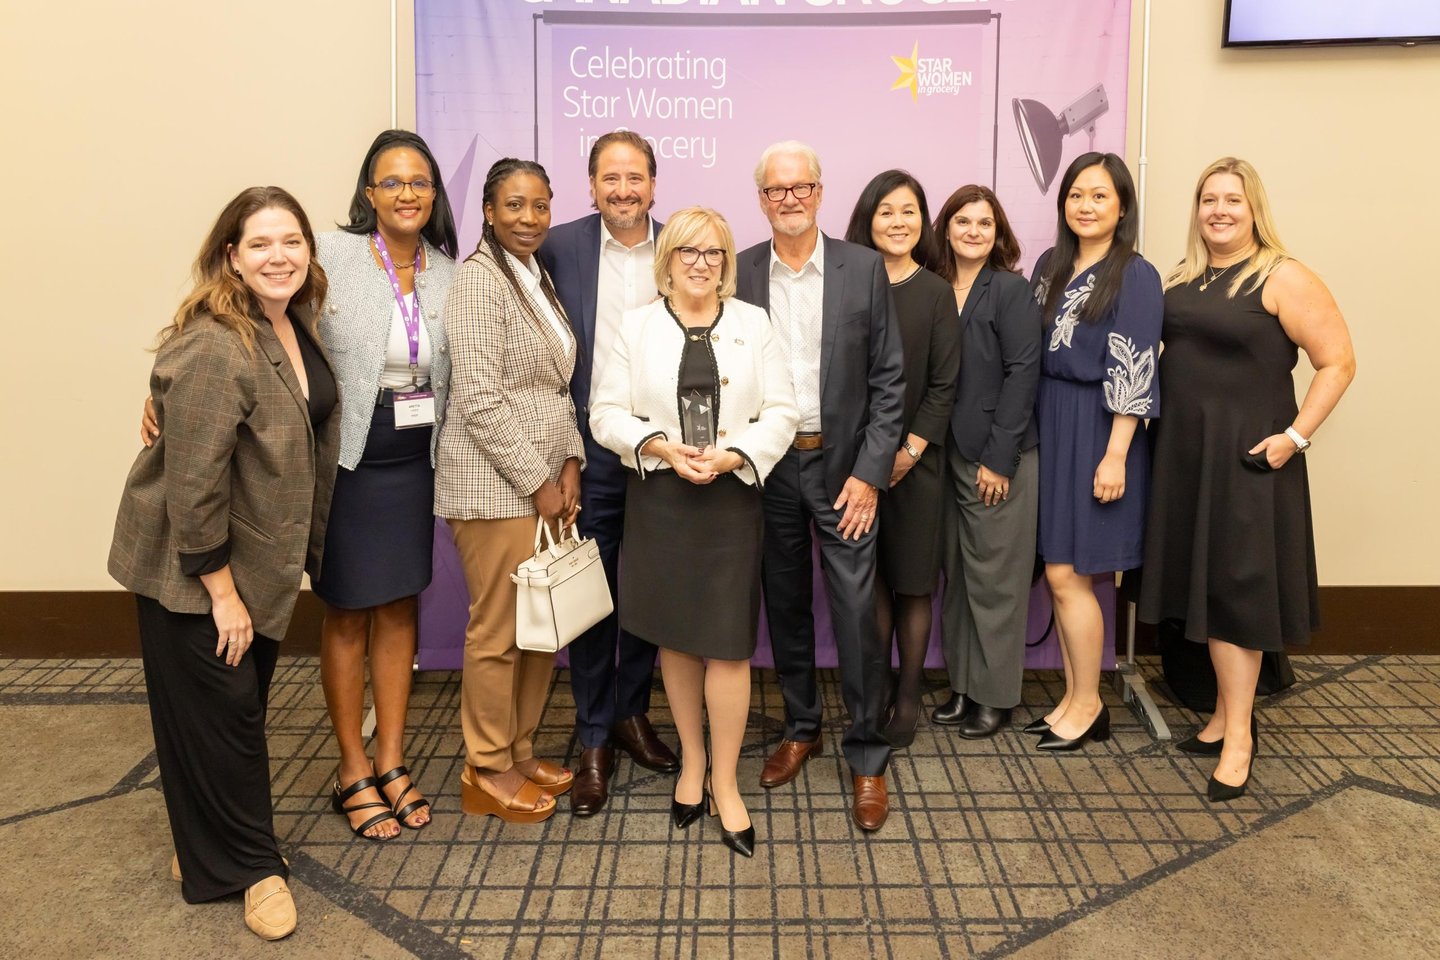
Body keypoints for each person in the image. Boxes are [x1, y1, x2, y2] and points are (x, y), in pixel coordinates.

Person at [141, 130, 459, 839]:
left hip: (415, 465)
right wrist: (163, 392)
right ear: (369, 192)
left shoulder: (448, 272)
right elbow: (237, 318)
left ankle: (391, 757)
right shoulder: (327, 255)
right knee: (347, 613)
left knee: (400, 608)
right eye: (392, 181)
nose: (407, 193)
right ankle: (351, 766)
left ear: (434, 194)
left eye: (420, 182)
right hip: (342, 466)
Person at [109, 186, 338, 940]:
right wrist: (222, 593)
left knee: (215, 717)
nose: (279, 256)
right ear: (231, 257)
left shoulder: (293, 321)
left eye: (292, 241)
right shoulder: (216, 341)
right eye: (261, 244)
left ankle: (203, 849)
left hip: (253, 562)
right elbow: (193, 483)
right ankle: (255, 869)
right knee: (229, 721)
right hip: (195, 571)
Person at [1139, 157, 1355, 801]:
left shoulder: (1282, 275)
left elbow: (1339, 362)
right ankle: (1220, 718)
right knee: (1203, 590)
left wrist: (1295, 438)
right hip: (1185, 459)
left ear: (1254, 207)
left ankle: (1239, 738)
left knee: (1235, 595)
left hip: (1248, 461)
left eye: (1232, 199)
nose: (1219, 211)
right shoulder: (1183, 278)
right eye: (1209, 199)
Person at [590, 206, 798, 856]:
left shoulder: (754, 323)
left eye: (713, 253)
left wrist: (736, 455)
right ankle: (692, 765)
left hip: (731, 502)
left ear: (727, 262)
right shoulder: (636, 325)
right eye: (688, 251)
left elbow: (784, 410)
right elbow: (604, 412)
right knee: (676, 640)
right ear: (668, 260)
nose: (701, 263)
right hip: (661, 499)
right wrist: (657, 445)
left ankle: (726, 784)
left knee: (729, 647)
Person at [735, 141, 906, 831]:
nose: (790, 199)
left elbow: (890, 380)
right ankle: (801, 726)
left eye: (801, 186)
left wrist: (870, 474)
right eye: (776, 190)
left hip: (845, 471)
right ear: (761, 199)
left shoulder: (862, 268)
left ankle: (867, 754)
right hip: (769, 466)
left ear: (820, 191)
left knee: (857, 612)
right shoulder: (740, 270)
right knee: (784, 604)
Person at [434, 158, 583, 823]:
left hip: (546, 481)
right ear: (489, 212)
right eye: (515, 205)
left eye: (540, 205)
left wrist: (571, 461)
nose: (529, 217)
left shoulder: (534, 275)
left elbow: (554, 388)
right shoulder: (478, 280)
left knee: (539, 630)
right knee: (498, 631)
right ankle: (487, 767)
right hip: (494, 484)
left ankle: (519, 750)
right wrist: (538, 483)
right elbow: (479, 399)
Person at [537, 130, 678, 816]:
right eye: (610, 178)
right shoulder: (558, 248)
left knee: (648, 592)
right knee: (592, 598)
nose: (623, 190)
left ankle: (632, 712)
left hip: (662, 456)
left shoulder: (682, 247)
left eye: (635, 177)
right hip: (588, 454)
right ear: (591, 186)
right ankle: (593, 733)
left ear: (653, 184)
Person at [1028, 152, 1162, 751]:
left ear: (1122, 206)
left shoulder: (1135, 274)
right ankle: (1073, 697)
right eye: (1076, 195)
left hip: (1100, 427)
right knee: (1059, 573)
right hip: (1051, 419)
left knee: (1071, 573)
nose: (1086, 206)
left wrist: (1115, 455)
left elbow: (1135, 368)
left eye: (1100, 195)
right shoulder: (1049, 265)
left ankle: (1089, 704)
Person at [842, 171, 959, 748]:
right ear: (868, 220)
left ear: (923, 221)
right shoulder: (848, 285)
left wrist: (908, 452)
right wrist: (866, 462)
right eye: (885, 211)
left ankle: (908, 696)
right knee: (871, 587)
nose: (897, 222)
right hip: (852, 466)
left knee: (911, 585)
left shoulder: (936, 292)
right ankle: (878, 689)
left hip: (916, 466)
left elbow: (944, 384)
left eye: (908, 211)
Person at [930, 185, 1043, 739]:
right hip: (944, 453)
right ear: (946, 228)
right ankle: (963, 686)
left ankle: (995, 696)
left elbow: (1024, 374)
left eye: (984, 223)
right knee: (957, 577)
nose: (973, 231)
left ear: (998, 233)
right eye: (963, 221)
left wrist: (1000, 459)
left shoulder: (1010, 290)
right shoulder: (933, 286)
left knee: (995, 582)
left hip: (998, 456)